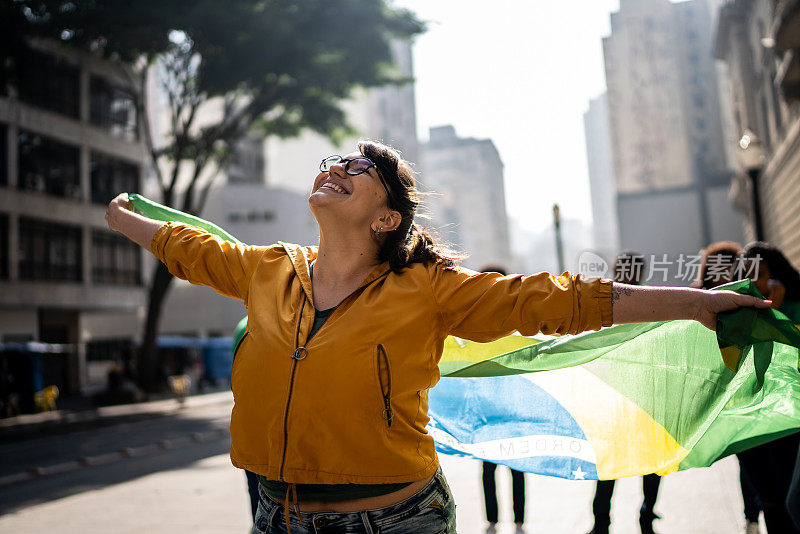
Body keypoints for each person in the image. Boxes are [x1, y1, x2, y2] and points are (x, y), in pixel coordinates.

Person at [105, 141, 770, 534]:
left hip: (395, 521)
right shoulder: (267, 269)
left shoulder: (431, 288)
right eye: (331, 159)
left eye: (357, 169)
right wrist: (126, 219)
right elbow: (189, 249)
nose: (334, 167)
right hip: (280, 517)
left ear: (385, 216)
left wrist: (694, 303)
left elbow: (560, 300)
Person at [587, 252, 661, 534]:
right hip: (616, 398)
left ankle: (642, 514)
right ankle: (603, 522)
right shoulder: (608, 301)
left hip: (642, 395)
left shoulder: (646, 301)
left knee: (649, 461)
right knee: (611, 465)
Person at [479, 265, 527, 534]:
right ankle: (495, 521)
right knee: (491, 469)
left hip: (509, 407)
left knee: (514, 467)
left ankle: (516, 521)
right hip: (489, 409)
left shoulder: (514, 320)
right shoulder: (474, 320)